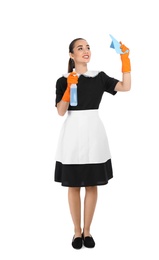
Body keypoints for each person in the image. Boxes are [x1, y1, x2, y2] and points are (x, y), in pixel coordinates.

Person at [54, 37, 131, 249]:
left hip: (94, 133)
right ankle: (76, 232)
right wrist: (69, 88)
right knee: (72, 185)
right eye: (80, 48)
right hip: (72, 135)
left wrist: (125, 60)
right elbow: (61, 111)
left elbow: (126, 86)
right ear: (72, 55)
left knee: (91, 183)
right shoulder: (63, 80)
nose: (86, 51)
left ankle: (87, 231)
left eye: (88, 47)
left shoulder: (99, 78)